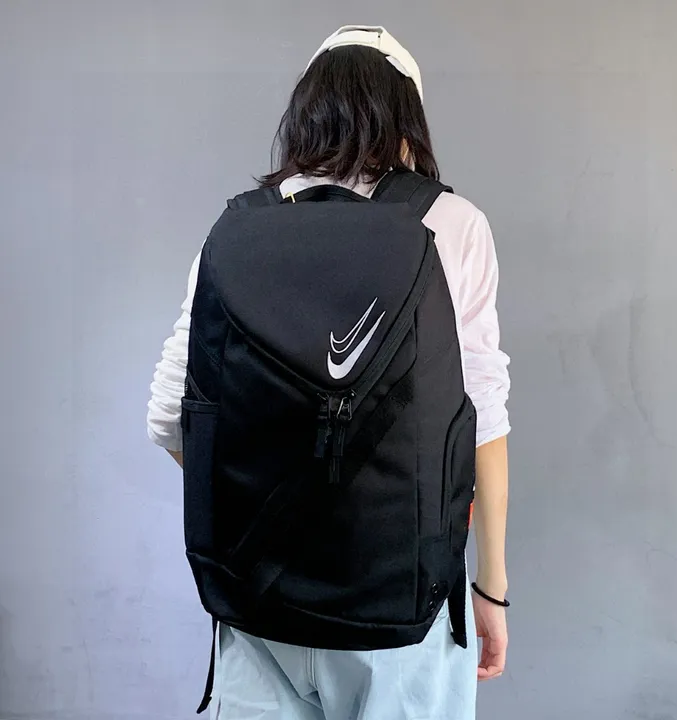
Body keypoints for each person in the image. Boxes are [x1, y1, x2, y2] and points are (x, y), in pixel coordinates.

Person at [147, 25, 510, 720]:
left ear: (306, 110)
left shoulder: (240, 226)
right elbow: (482, 420)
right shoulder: (453, 222)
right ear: (407, 116)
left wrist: (268, 509)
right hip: (404, 604)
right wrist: (489, 589)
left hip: (257, 600)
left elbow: (169, 416)